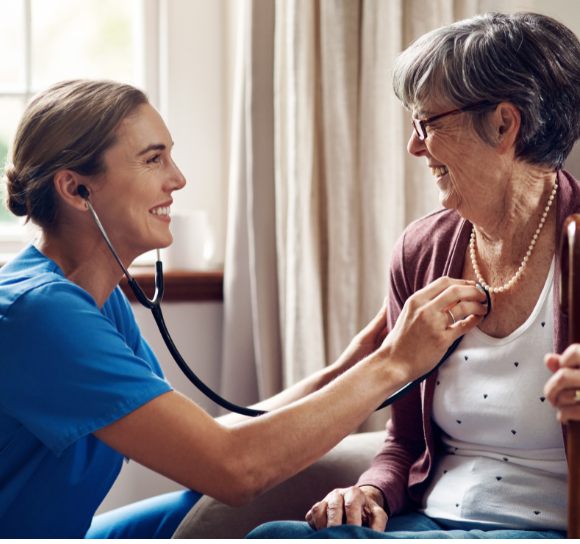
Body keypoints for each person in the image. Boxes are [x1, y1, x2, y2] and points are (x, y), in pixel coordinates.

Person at [0, 79, 487, 539]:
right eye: (153, 160)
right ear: (75, 189)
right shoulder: (42, 313)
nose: (178, 179)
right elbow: (233, 468)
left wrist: (348, 365)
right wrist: (395, 363)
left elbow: (207, 440)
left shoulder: (94, 301)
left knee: (205, 513)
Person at [247, 12, 580, 540]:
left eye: (427, 123)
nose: (414, 146)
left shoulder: (576, 245)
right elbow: (402, 442)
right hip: (428, 523)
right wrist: (371, 491)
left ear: (503, 124)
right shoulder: (422, 249)